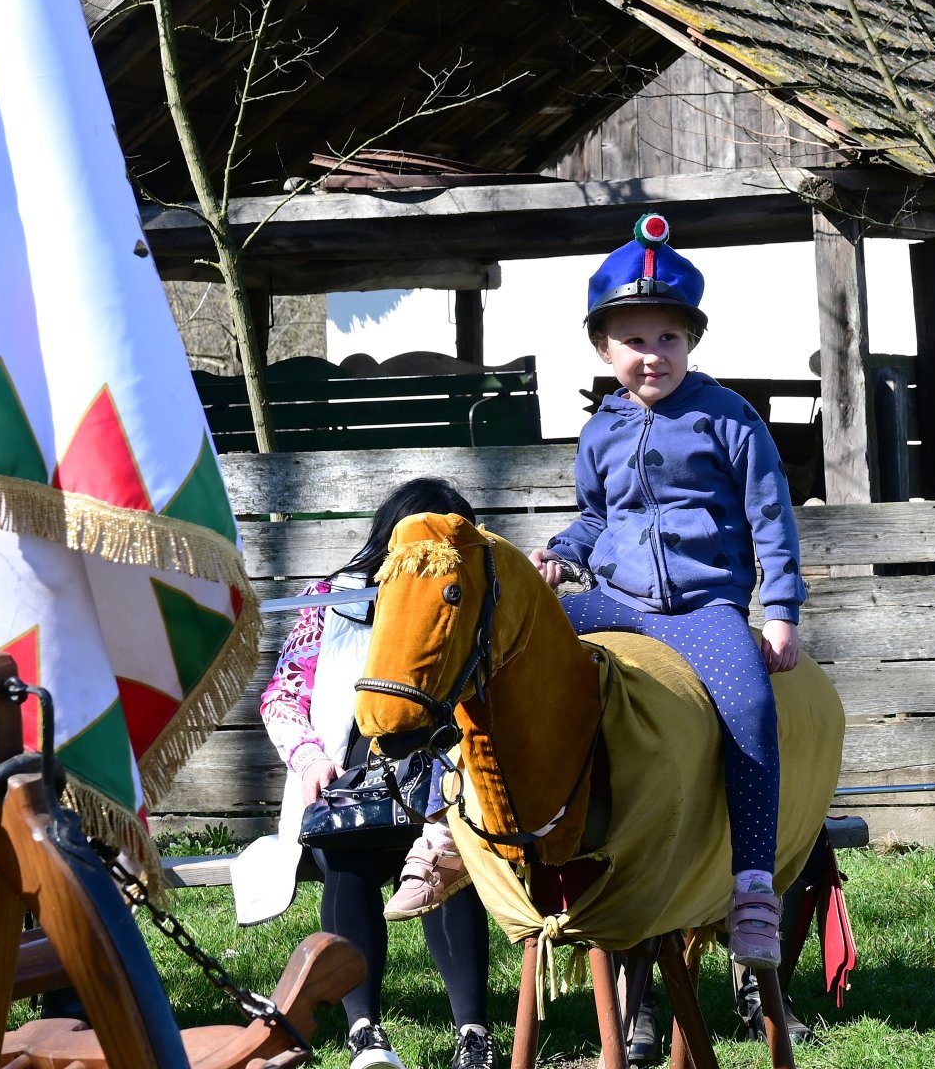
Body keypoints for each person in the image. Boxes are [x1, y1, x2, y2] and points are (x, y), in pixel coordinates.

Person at [528, 214, 806, 970]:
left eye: (668, 339)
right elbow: (597, 518)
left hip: (699, 609)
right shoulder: (601, 430)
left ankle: (751, 888)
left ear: (692, 342)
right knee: (510, 637)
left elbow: (770, 518)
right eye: (635, 341)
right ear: (603, 347)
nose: (653, 356)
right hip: (614, 600)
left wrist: (778, 611)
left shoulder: (729, 419)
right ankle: (448, 828)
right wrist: (557, 555)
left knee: (747, 705)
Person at [259, 476, 495, 1069]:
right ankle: (365, 1031)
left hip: (443, 782)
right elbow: (283, 695)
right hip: (348, 779)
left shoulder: (474, 600)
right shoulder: (329, 600)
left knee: (452, 860)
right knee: (348, 861)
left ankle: (474, 1033)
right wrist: (311, 758)